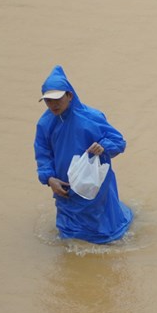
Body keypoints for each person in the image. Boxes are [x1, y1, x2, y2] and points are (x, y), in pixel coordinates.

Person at [34, 65, 133, 243]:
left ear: (69, 95)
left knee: (106, 234)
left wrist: (103, 146)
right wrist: (49, 179)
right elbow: (43, 154)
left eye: (57, 99)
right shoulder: (44, 124)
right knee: (69, 236)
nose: (53, 104)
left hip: (95, 185)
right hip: (65, 187)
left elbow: (119, 142)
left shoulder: (92, 117)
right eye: (48, 100)